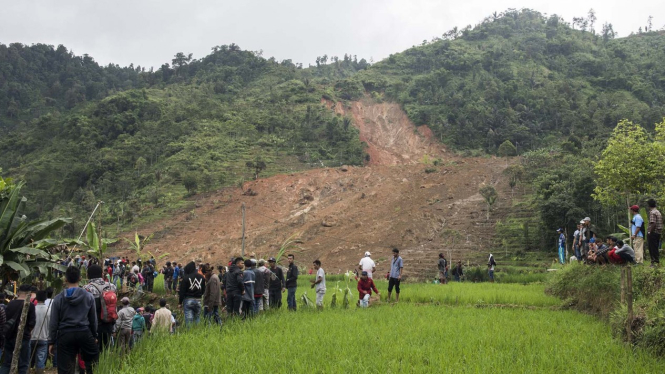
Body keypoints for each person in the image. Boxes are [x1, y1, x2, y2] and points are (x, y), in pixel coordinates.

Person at [49, 266, 98, 374]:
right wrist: (94, 335)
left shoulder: (58, 298)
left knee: (65, 368)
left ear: (65, 279)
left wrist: (51, 341)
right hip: (84, 332)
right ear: (80, 278)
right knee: (92, 363)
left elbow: (53, 322)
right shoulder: (88, 296)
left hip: (65, 334)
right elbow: (93, 319)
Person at [0, 284, 36, 374]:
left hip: (9, 336)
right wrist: (29, 331)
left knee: (7, 363)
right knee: (23, 364)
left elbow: (6, 320)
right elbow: (32, 323)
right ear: (29, 294)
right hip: (24, 336)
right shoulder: (30, 305)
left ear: (19, 292)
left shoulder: (10, 304)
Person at [83, 264, 117, 353]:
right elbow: (114, 306)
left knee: (93, 351)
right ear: (102, 274)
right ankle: (105, 366)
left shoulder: (87, 288)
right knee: (106, 349)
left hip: (93, 325)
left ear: (88, 275)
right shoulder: (112, 286)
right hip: (108, 323)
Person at [178, 261, 206, 326]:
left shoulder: (186, 278)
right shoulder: (202, 277)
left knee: (189, 320)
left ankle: (190, 333)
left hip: (188, 300)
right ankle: (197, 333)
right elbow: (203, 290)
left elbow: (182, 292)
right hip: (198, 300)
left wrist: (180, 302)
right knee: (197, 318)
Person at [31, 290, 50, 374]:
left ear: (36, 298)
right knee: (41, 360)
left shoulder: (32, 309)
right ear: (45, 298)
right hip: (44, 337)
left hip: (31, 337)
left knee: (28, 358)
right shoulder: (49, 310)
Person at [647, 199, 662, 266]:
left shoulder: (652, 212)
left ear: (649, 205)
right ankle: (656, 261)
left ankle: (654, 262)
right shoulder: (657, 211)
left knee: (652, 247)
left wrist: (649, 231)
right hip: (658, 232)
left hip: (653, 232)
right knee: (655, 247)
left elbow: (653, 223)